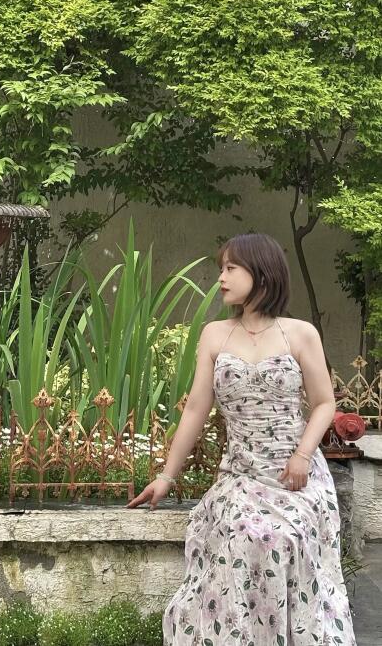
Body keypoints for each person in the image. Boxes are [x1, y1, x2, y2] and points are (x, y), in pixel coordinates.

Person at [127, 233, 357, 645]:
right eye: (222, 268)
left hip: (295, 475)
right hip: (242, 475)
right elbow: (196, 409)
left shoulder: (300, 333)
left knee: (286, 538)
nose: (221, 278)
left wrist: (303, 455)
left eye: (231, 268)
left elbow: (324, 403)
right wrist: (165, 477)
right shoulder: (215, 334)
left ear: (262, 273)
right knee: (241, 533)